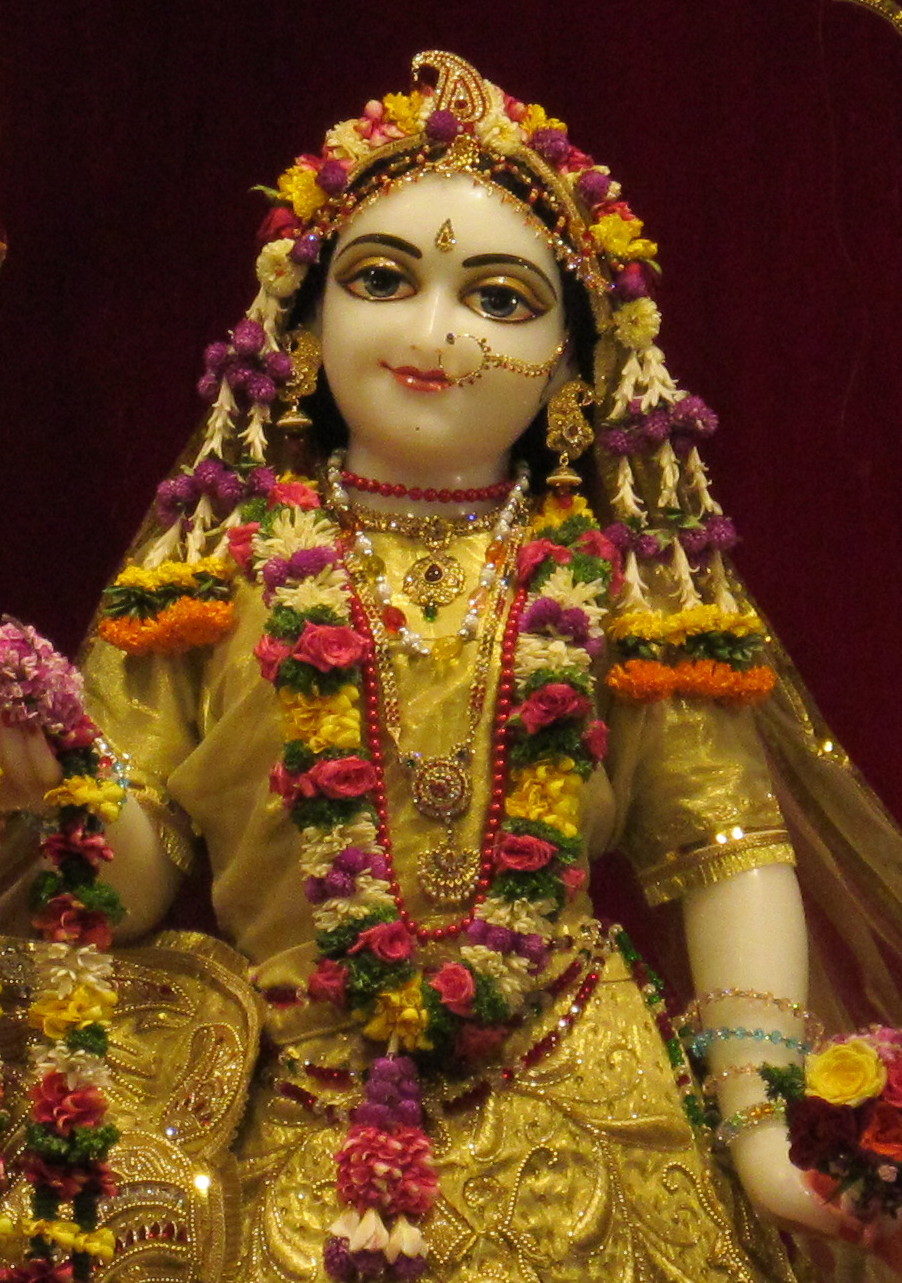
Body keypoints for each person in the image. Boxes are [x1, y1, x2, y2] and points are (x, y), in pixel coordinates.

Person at [2, 49, 902, 1283]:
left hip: (599, 1140)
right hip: (292, 1142)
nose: (435, 332)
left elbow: (724, 851)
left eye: (497, 298)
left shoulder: (630, 587)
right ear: (305, 326)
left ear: (574, 373)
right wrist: (51, 793)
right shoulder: (208, 572)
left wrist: (758, 1135)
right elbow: (132, 876)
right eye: (383, 279)